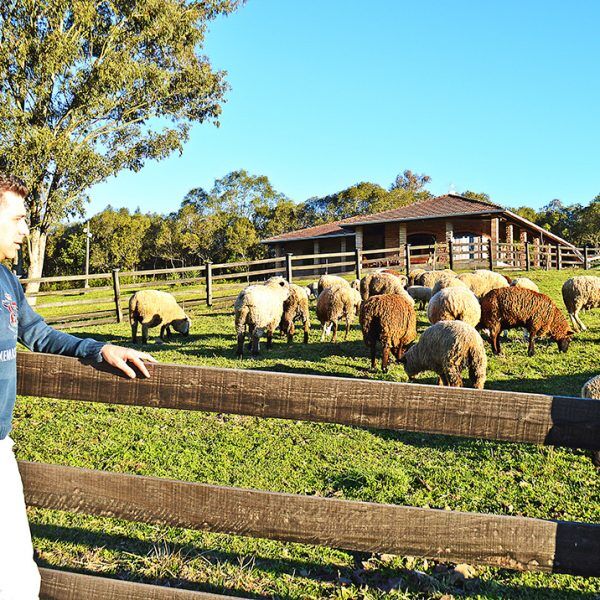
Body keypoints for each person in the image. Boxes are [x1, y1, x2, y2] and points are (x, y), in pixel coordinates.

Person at [0, 174, 155, 599]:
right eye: (16, 219)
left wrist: (97, 348)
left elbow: (38, 334)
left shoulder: (7, 281)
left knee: (16, 578)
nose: (24, 230)